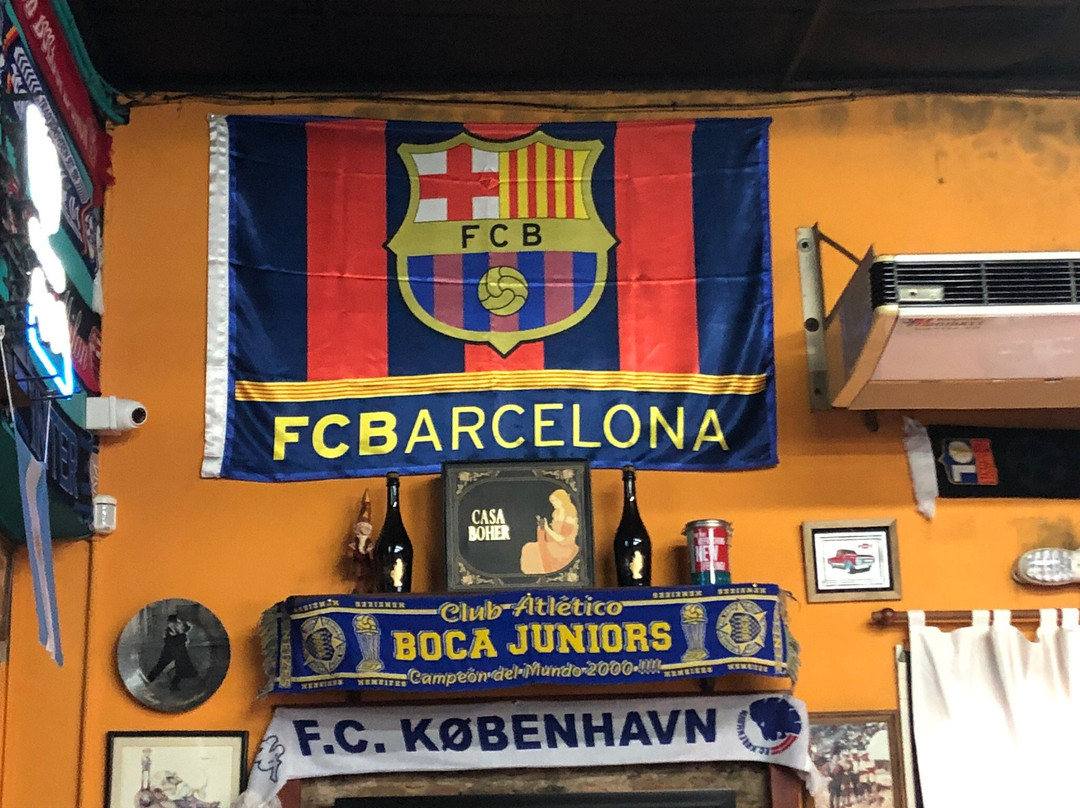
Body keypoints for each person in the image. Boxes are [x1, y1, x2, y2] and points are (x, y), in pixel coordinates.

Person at [520, 489, 580, 574]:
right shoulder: (556, 514)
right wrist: (542, 528)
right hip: (555, 544)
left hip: (564, 548)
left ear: (562, 500)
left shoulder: (569, 517)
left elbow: (562, 539)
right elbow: (552, 535)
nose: (553, 503)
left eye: (556, 500)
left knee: (531, 549)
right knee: (528, 547)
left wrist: (547, 528)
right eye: (552, 501)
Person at [145, 614, 198, 691]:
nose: (171, 624)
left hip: (179, 652)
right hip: (169, 652)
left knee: (180, 669)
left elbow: (184, 637)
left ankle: (174, 686)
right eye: (170, 623)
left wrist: (180, 632)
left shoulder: (180, 630)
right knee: (160, 666)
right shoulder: (168, 631)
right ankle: (149, 679)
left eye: (173, 622)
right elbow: (170, 641)